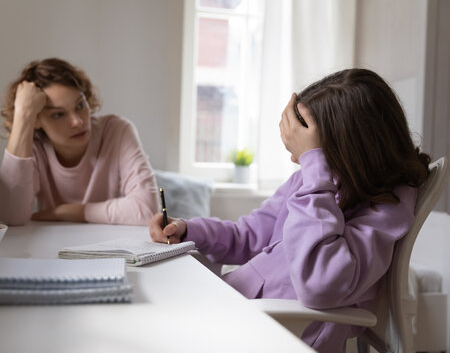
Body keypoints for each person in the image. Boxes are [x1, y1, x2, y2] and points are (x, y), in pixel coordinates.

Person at [149, 68, 431, 353]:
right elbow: (248, 236)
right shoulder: (314, 181)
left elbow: (320, 282)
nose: (296, 158)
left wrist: (315, 169)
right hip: (238, 310)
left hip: (273, 332)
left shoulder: (384, 209)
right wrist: (189, 229)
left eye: (309, 148)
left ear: (347, 147)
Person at [0, 58, 158, 226]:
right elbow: (10, 216)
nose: (77, 122)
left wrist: (68, 212)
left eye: (80, 105)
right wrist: (23, 115)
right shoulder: (33, 148)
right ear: (36, 119)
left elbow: (147, 210)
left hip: (113, 243)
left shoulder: (117, 131)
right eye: (58, 114)